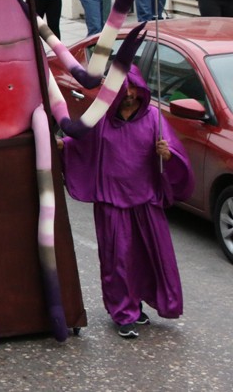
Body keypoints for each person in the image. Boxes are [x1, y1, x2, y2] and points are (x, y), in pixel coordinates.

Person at [60, 67, 193, 339]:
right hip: (111, 202)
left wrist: (167, 156)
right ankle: (123, 313)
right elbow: (80, 144)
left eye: (134, 89)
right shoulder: (102, 119)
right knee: (118, 261)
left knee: (149, 258)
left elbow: (177, 159)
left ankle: (140, 304)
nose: (130, 95)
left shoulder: (154, 118)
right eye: (124, 89)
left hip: (146, 201)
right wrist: (64, 146)